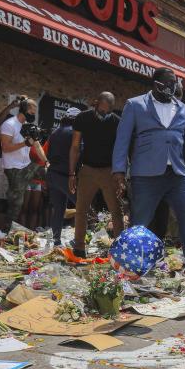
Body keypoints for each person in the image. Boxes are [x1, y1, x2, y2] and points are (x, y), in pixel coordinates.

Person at [112, 67, 185, 282]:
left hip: (177, 174)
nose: (173, 87)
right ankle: (131, 270)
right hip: (146, 174)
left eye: (175, 83)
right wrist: (119, 170)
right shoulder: (135, 105)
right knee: (140, 224)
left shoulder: (182, 108)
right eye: (168, 82)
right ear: (156, 83)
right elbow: (122, 140)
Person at [70, 92, 123, 257]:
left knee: (116, 210)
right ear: (95, 102)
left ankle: (119, 249)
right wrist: (71, 173)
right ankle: (79, 248)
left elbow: (122, 150)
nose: (104, 114)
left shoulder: (117, 122)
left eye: (108, 112)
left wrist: (121, 176)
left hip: (109, 171)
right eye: (102, 110)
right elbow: (75, 147)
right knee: (81, 209)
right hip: (87, 170)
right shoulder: (82, 118)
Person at [0, 96, 40, 222]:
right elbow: (5, 148)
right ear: (24, 110)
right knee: (17, 203)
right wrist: (25, 144)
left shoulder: (28, 126)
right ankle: (8, 231)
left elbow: (37, 146)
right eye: (32, 113)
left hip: (26, 165)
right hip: (13, 168)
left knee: (51, 173)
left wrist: (47, 161)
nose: (34, 116)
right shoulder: (9, 124)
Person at [46, 106, 80, 246]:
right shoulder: (75, 133)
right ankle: (79, 240)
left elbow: (48, 153)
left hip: (53, 175)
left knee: (58, 210)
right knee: (84, 207)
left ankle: (56, 240)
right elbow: (79, 152)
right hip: (66, 176)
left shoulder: (54, 133)